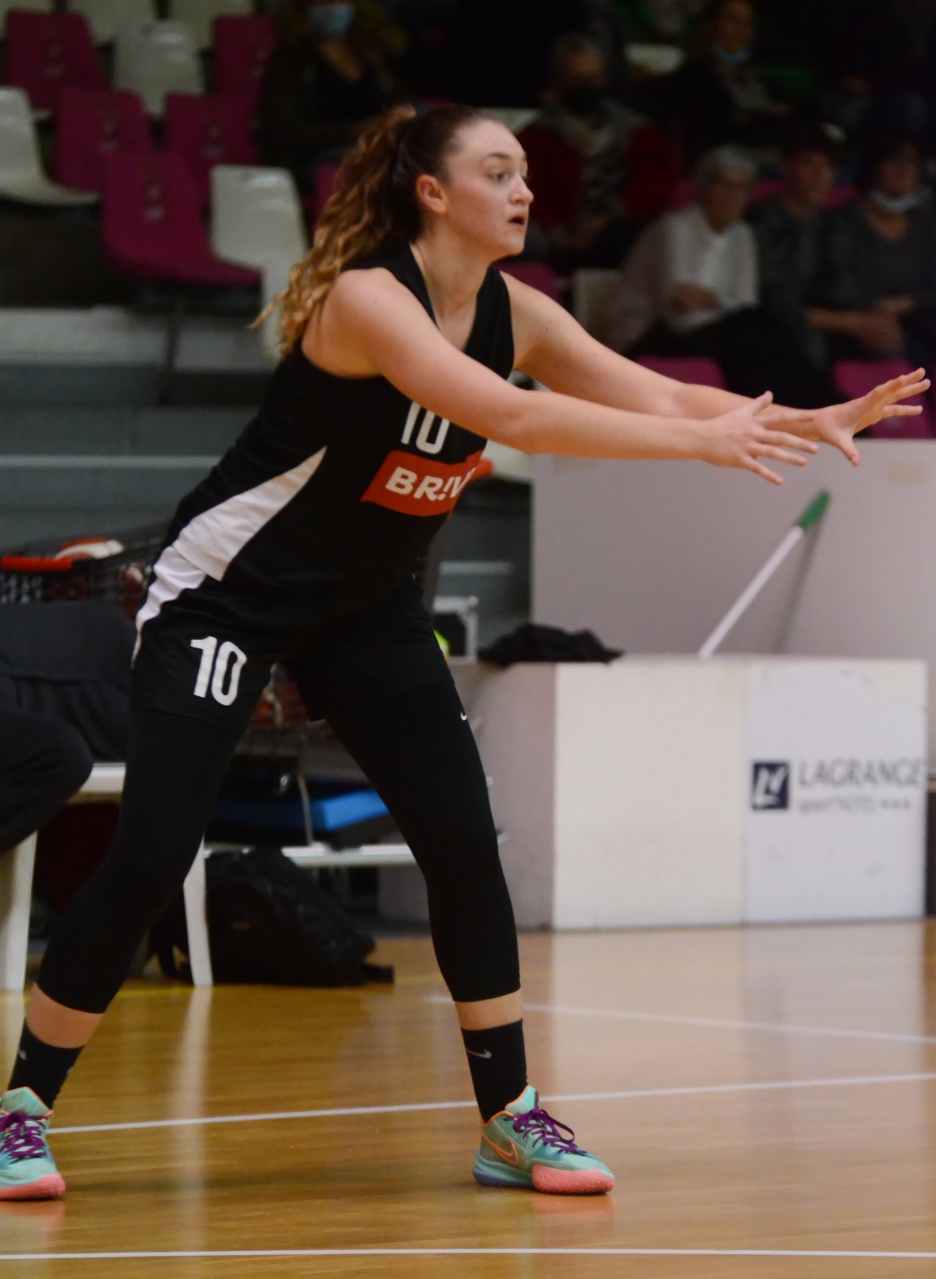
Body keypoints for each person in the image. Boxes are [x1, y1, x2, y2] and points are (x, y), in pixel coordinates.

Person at [0, 103, 925, 1203]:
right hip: (227, 600)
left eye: (526, 172)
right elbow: (516, 421)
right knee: (154, 852)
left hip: (369, 608)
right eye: (499, 171)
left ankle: (510, 1119)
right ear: (432, 192)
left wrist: (797, 420)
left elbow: (665, 390)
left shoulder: (516, 309)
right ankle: (21, 1110)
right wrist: (699, 444)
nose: (525, 190)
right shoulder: (367, 299)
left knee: (462, 841)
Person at [607, 145, 832, 404]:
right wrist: (724, 301)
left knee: (762, 331)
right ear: (703, 187)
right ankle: (812, 406)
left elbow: (746, 302)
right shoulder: (673, 229)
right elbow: (680, 315)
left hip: (714, 334)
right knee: (750, 333)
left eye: (743, 188)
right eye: (725, 185)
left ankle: (811, 405)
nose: (734, 196)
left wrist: (711, 299)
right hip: (648, 336)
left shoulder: (742, 234)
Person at [519, 33, 676, 270]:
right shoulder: (537, 137)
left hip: (622, 231)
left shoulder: (634, 130)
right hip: (561, 241)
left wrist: (612, 216)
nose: (586, 87)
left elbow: (657, 183)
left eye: (593, 78)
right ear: (559, 82)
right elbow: (526, 192)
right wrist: (559, 233)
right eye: (576, 79)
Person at [257, 0, 406, 192]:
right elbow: (283, 130)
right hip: (320, 155)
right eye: (323, 2)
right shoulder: (291, 61)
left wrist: (397, 116)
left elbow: (397, 97)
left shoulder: (369, 53)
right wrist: (352, 132)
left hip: (378, 144)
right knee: (371, 164)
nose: (333, 6)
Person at [817, 133, 936, 371]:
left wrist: (906, 303)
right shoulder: (841, 222)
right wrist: (873, 314)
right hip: (856, 326)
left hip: (918, 321)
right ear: (874, 168)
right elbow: (837, 287)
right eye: (893, 161)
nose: (903, 170)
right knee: (890, 340)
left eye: (911, 162)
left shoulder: (925, 223)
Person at [748, 123, 849, 378]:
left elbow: (842, 287)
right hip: (768, 325)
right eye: (808, 163)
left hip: (826, 322)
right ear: (786, 167)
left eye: (828, 166)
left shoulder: (832, 223)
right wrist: (850, 322)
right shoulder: (760, 220)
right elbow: (771, 298)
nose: (819, 175)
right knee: (805, 341)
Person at [666, 0, 790, 165]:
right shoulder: (694, 78)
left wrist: (752, 119)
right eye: (732, 20)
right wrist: (766, 121)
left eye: (748, 22)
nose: (742, 29)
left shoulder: (760, 79)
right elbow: (721, 131)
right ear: (710, 27)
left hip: (772, 166)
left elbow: (786, 124)